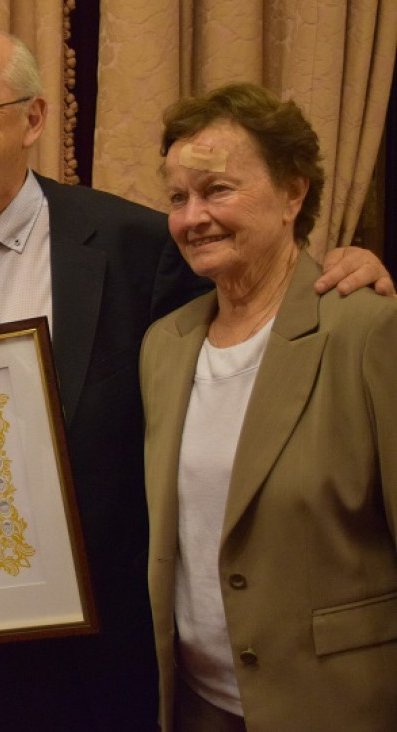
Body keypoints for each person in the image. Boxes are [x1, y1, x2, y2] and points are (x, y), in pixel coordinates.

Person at [0, 27, 393, 731]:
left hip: (82, 652)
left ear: (33, 117)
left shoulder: (139, 244)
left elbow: (255, 316)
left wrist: (352, 268)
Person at [141, 83, 396, 732]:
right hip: (198, 707)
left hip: (333, 707)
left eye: (218, 190)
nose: (193, 217)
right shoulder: (164, 348)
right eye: (178, 198)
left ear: (293, 192)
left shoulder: (366, 331)